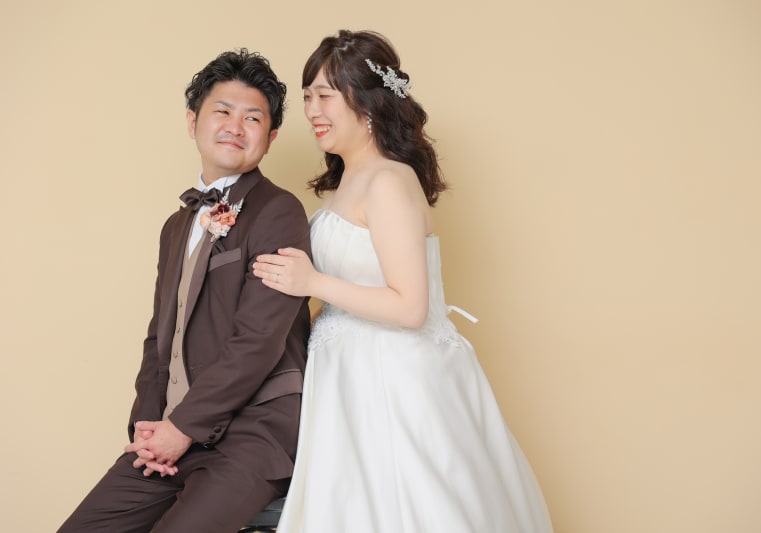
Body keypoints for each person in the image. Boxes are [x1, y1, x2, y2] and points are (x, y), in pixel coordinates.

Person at [252, 29, 553, 533]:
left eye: (324, 95)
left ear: (366, 102)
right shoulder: (350, 179)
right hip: (348, 376)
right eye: (307, 97)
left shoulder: (390, 180)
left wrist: (311, 282)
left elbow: (411, 307)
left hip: (392, 379)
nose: (312, 110)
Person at [57, 49, 312, 533]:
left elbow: (258, 341)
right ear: (193, 121)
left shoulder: (279, 211)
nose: (236, 127)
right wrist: (148, 427)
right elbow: (160, 337)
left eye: (253, 118)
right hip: (173, 431)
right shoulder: (176, 225)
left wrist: (182, 428)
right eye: (223, 111)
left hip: (252, 436)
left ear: (271, 137)